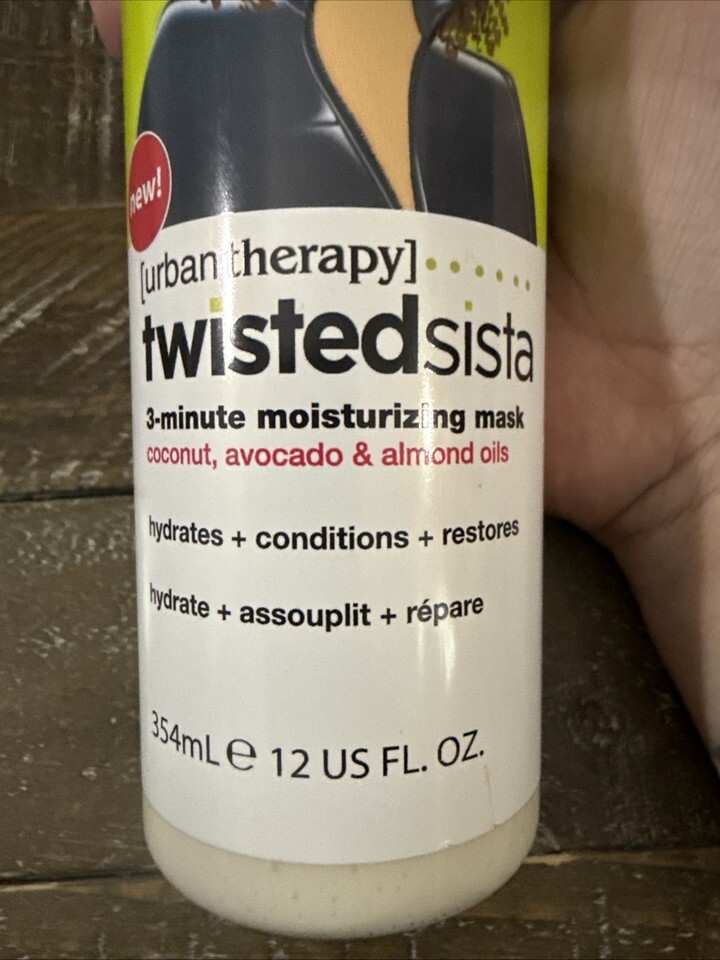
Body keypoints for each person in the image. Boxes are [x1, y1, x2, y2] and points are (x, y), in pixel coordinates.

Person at [91, 0, 720, 772]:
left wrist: (701, 440)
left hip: (446, 640)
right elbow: (182, 320)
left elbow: (499, 320)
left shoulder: (484, 91)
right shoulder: (206, 38)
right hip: (235, 645)